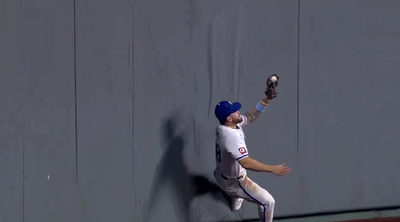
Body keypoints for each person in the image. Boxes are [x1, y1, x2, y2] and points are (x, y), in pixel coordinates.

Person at [213, 75, 291, 222]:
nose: (238, 112)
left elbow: (250, 116)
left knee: (237, 187)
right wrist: (272, 169)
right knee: (268, 202)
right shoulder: (230, 136)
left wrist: (266, 100)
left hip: (221, 173)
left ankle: (236, 197)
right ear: (229, 118)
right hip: (234, 182)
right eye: (234, 111)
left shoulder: (225, 125)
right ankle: (236, 193)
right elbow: (246, 163)